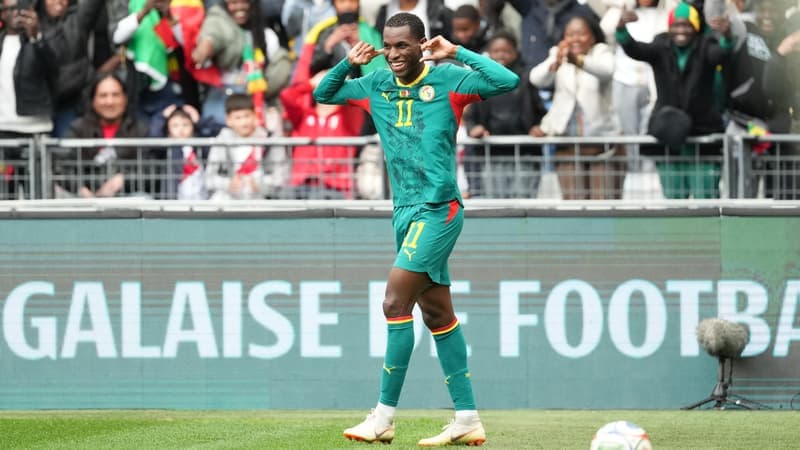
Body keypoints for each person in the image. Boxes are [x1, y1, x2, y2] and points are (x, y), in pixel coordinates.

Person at [313, 12, 519, 446]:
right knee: (438, 315)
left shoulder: (449, 80)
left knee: (393, 300)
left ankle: (383, 416)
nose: (392, 54)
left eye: (402, 45)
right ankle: (467, 418)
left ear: (422, 43)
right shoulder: (376, 84)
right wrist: (350, 63)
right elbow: (322, 92)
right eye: (387, 46)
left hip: (439, 209)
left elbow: (507, 81)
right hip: (404, 212)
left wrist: (458, 52)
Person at [617, 1, 732, 199]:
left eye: (686, 25)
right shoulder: (660, 45)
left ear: (695, 27)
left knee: (706, 198)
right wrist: (621, 29)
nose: (681, 30)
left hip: (702, 136)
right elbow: (634, 49)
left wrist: (727, 36)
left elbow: (720, 55)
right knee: (674, 199)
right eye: (676, 25)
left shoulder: (706, 45)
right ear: (669, 27)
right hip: (668, 136)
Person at [530, 14, 622, 200]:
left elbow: (606, 71)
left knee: (603, 203)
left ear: (593, 36)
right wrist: (553, 62)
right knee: (573, 203)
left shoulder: (602, 52)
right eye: (570, 34)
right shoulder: (558, 53)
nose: (575, 39)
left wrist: (579, 60)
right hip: (567, 142)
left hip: (601, 144)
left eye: (581, 34)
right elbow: (536, 79)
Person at [463, 30, 546, 198]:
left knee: (524, 203)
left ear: (516, 52)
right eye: (496, 51)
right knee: (495, 204)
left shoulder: (527, 77)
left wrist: (539, 128)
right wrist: (474, 128)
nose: (501, 55)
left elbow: (540, 110)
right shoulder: (480, 79)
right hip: (491, 154)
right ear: (489, 53)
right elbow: (471, 115)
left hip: (525, 153)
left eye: (506, 51)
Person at [192, 0, 292, 128]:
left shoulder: (266, 35)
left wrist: (265, 88)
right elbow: (210, 38)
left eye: (244, 2)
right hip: (222, 98)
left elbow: (279, 68)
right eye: (233, 3)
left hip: (255, 98)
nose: (239, 7)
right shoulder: (217, 23)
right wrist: (203, 50)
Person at [60, 72, 150, 198]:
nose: (109, 101)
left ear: (125, 98)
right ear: (93, 100)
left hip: (126, 200)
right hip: (84, 200)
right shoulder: (78, 129)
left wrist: (124, 180)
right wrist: (81, 189)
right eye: (103, 95)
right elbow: (61, 167)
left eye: (115, 95)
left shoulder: (140, 129)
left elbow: (150, 168)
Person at [280, 69, 363, 199]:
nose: (328, 86)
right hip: (301, 185)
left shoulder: (349, 116)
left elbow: (355, 99)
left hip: (336, 187)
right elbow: (286, 95)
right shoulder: (303, 115)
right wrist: (309, 84)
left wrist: (344, 82)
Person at [204, 93, 288, 199]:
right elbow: (209, 178)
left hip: (262, 200)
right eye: (238, 118)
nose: (244, 122)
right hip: (229, 199)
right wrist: (228, 184)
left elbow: (281, 176)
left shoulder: (269, 140)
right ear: (228, 120)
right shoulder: (221, 141)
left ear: (254, 115)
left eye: (247, 116)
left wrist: (261, 185)